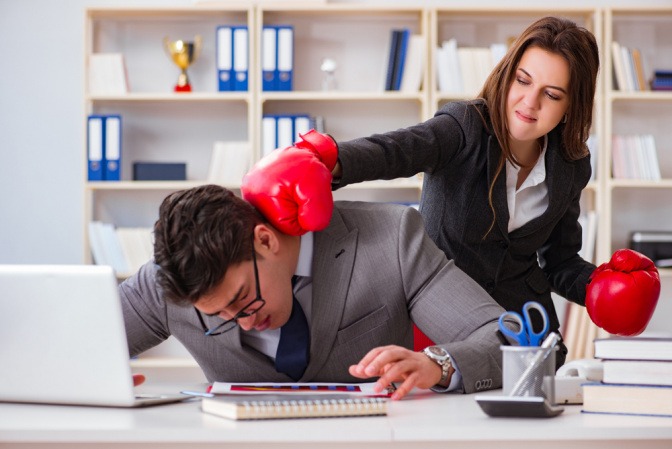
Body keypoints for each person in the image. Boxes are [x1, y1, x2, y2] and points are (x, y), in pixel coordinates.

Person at [240, 16, 661, 368]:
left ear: (572, 105)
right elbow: (395, 150)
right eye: (522, 80)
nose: (528, 102)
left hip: (526, 333)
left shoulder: (572, 164)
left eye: (551, 94)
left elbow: (558, 261)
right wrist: (323, 160)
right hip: (440, 320)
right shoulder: (465, 127)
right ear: (508, 73)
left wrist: (598, 288)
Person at [120, 184, 511, 400]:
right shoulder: (168, 284)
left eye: (242, 300)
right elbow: (70, 345)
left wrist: (437, 365)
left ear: (264, 240)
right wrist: (97, 379)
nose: (243, 321)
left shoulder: (390, 239)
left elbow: (506, 338)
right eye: (217, 315)